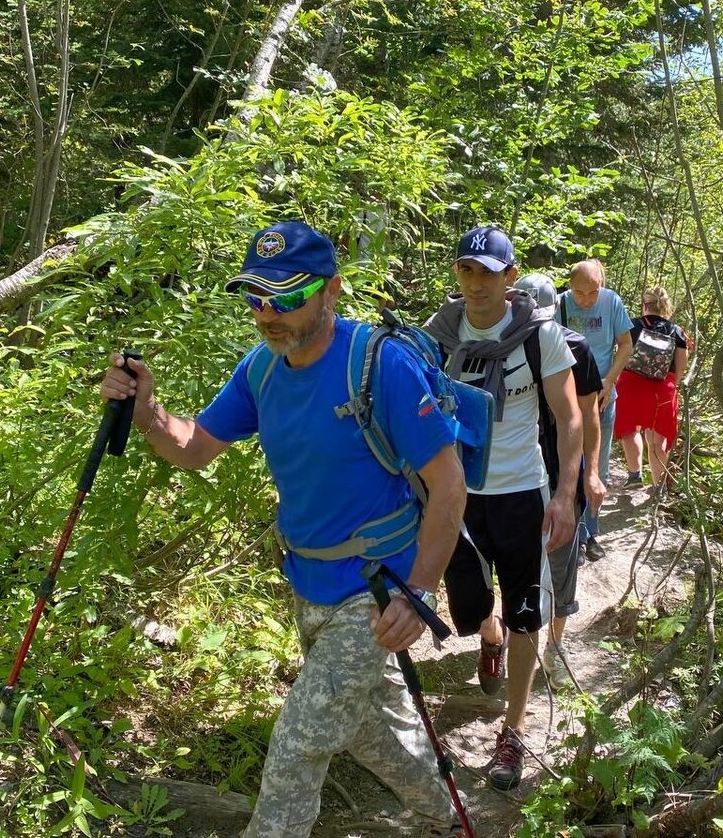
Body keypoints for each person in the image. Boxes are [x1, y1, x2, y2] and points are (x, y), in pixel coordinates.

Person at [99, 220, 467, 838]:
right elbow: (194, 448)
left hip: (379, 587)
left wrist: (420, 589)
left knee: (299, 740)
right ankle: (448, 818)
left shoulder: (381, 364)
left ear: (331, 291)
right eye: (257, 297)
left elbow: (448, 484)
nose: (270, 313)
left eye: (290, 296)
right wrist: (148, 414)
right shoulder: (261, 370)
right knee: (361, 727)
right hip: (307, 580)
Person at [424, 226, 582, 791]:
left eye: (488, 271)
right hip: (456, 494)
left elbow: (569, 418)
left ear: (510, 277)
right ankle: (486, 637)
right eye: (467, 270)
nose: (476, 282)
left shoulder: (539, 337)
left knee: (525, 613)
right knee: (469, 606)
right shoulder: (438, 337)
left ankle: (512, 732)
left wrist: (566, 495)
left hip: (521, 493)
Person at [513, 272, 604, 690]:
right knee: (517, 565)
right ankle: (508, 639)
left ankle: (554, 647)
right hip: (517, 478)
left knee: (562, 563)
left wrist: (591, 472)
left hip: (561, 474)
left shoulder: (576, 347)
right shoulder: (503, 347)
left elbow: (588, 416)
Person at [558, 259, 633, 559]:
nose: (586, 300)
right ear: (569, 286)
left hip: (602, 400)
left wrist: (609, 381)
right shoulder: (560, 303)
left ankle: (591, 532)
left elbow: (625, 344)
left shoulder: (612, 302)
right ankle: (572, 532)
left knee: (597, 468)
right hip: (566, 401)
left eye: (593, 292)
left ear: (601, 285)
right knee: (569, 465)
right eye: (580, 293)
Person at [616, 286, 690, 490]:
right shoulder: (677, 331)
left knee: (630, 431)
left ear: (645, 305)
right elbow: (680, 367)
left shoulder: (630, 325)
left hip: (630, 385)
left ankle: (634, 476)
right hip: (662, 390)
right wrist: (672, 386)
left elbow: (620, 355)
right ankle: (659, 488)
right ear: (666, 306)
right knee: (657, 441)